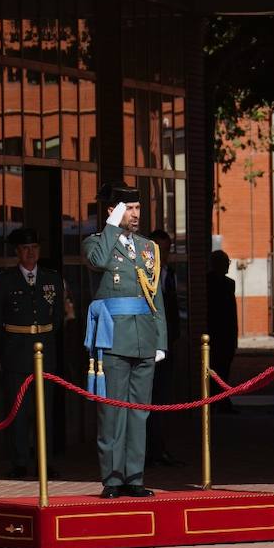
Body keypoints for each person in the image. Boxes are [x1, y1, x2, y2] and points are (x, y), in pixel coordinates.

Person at [82, 183, 168, 499]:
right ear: (113, 210)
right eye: (128, 209)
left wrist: (161, 339)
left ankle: (135, 476)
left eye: (137, 209)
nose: (135, 215)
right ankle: (113, 478)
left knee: (139, 411)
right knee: (113, 412)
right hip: (114, 338)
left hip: (143, 336)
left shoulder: (148, 247)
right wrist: (110, 226)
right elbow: (99, 262)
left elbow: (155, 294)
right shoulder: (95, 243)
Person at [0, 227, 64, 479]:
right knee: (18, 410)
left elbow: (59, 317)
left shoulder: (51, 279)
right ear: (18, 252)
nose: (31, 253)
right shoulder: (5, 280)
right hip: (16, 352)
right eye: (25, 249)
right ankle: (19, 461)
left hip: (45, 351)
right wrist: (7, 345)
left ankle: (45, 461)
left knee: (45, 410)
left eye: (34, 248)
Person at [145, 229, 184, 466]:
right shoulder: (145, 275)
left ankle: (159, 448)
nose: (164, 255)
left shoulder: (171, 274)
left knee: (162, 399)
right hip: (148, 346)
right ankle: (147, 451)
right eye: (158, 250)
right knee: (147, 400)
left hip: (167, 344)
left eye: (167, 250)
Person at [207, 249, 239, 412]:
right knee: (216, 371)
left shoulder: (229, 284)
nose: (228, 265)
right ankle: (218, 401)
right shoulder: (208, 284)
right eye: (226, 262)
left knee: (224, 370)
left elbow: (233, 314)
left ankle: (223, 400)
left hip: (226, 335)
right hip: (216, 335)